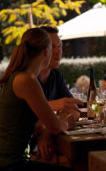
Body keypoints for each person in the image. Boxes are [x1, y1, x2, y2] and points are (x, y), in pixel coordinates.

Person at [0, 28, 74, 171]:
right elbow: (55, 126)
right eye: (53, 48)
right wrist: (66, 123)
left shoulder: (21, 76)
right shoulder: (26, 80)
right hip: (9, 164)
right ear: (46, 51)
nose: (57, 52)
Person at [39, 26, 83, 118]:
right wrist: (52, 106)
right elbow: (24, 114)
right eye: (52, 46)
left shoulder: (55, 74)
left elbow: (74, 110)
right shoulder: (25, 77)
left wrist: (60, 123)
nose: (58, 51)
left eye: (60, 46)